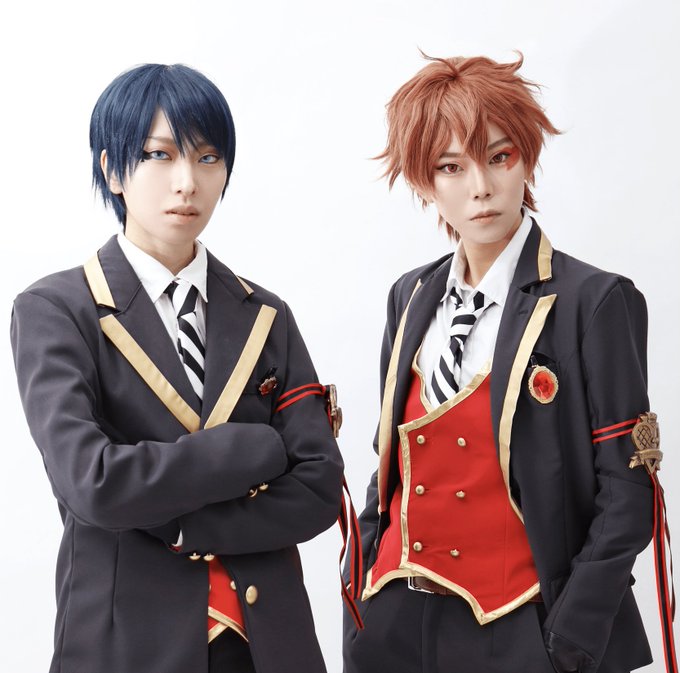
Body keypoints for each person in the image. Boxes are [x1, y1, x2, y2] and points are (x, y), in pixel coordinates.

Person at [344, 53, 671, 673]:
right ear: (423, 181)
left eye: (499, 157)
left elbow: (628, 492)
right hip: (393, 628)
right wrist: (358, 593)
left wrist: (566, 644)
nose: (481, 187)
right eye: (451, 167)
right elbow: (391, 466)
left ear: (526, 159)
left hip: (525, 629)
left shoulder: (594, 301)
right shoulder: (408, 296)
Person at [11, 63, 343, 673]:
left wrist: (189, 529)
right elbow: (94, 483)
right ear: (112, 170)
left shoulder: (266, 313)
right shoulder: (57, 309)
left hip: (270, 646)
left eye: (208, 158)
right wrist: (255, 449)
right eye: (159, 156)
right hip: (126, 647)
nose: (187, 182)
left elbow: (320, 489)